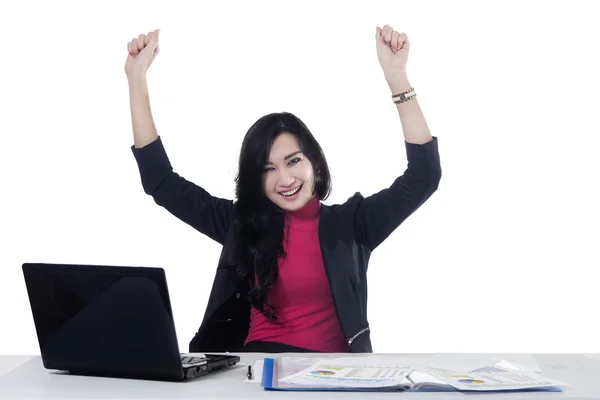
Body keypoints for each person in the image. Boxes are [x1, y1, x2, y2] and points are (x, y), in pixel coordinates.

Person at [125, 25, 441, 353]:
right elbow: (160, 181)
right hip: (254, 372)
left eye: (293, 161)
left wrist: (396, 77)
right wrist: (136, 79)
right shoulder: (240, 223)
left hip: (330, 378)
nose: (285, 179)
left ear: (315, 162)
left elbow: (423, 176)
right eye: (268, 169)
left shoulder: (353, 224)